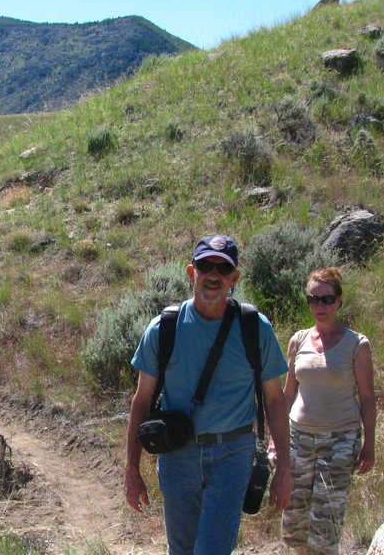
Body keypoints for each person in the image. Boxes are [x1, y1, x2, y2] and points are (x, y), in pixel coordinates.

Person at [124, 234, 293, 555]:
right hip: (177, 457)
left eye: (222, 268)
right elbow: (141, 401)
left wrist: (284, 467)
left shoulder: (255, 328)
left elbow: (275, 399)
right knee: (183, 550)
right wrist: (132, 469)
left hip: (233, 455)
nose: (213, 275)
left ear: (234, 278)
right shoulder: (164, 329)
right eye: (205, 266)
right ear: (192, 272)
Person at [281, 267, 376, 555]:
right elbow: (288, 393)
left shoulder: (356, 345)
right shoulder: (298, 340)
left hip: (339, 441)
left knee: (325, 524)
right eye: (313, 299)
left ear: (339, 302)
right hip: (299, 438)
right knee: (294, 522)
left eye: (327, 299)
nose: (320, 306)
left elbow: (368, 398)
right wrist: (277, 439)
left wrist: (369, 445)